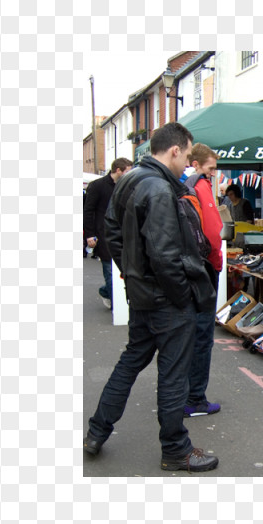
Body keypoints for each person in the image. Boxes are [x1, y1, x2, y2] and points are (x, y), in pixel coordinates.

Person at [83, 122, 219, 472]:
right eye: (187, 155)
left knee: (130, 361)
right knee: (173, 374)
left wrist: (132, 274)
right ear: (175, 150)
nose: (188, 162)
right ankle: (175, 449)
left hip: (143, 295)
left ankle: (97, 430)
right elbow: (164, 255)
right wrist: (181, 295)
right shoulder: (159, 189)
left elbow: (111, 230)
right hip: (165, 300)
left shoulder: (132, 178)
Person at [182, 143, 223, 417]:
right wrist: (217, 263)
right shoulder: (200, 185)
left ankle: (182, 394)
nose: (213, 173)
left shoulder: (181, 184)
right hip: (203, 271)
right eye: (210, 168)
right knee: (202, 336)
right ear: (196, 164)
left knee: (188, 334)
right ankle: (195, 399)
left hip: (187, 269)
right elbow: (212, 232)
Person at [83, 158, 133, 308]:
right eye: (127, 171)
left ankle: (106, 291)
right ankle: (116, 305)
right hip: (103, 233)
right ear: (118, 170)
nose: (129, 175)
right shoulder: (97, 186)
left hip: (123, 234)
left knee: (122, 269)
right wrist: (90, 235)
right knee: (109, 270)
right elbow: (88, 211)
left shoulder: (127, 186)